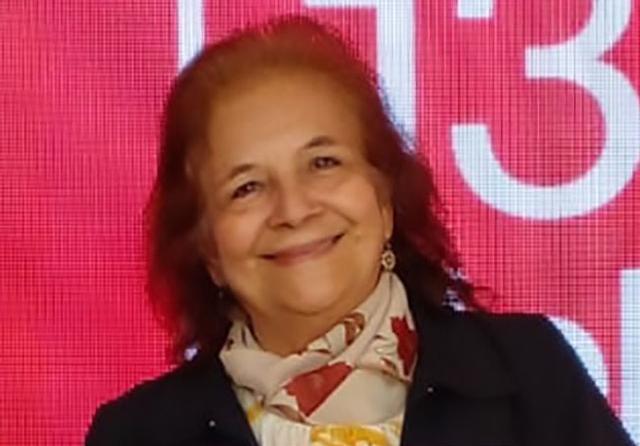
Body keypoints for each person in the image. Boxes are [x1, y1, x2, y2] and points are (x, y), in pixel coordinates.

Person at [85, 16, 635, 446]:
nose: (293, 210)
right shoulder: (136, 436)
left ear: (385, 199)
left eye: (323, 163)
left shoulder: (529, 373)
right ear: (207, 248)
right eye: (246, 187)